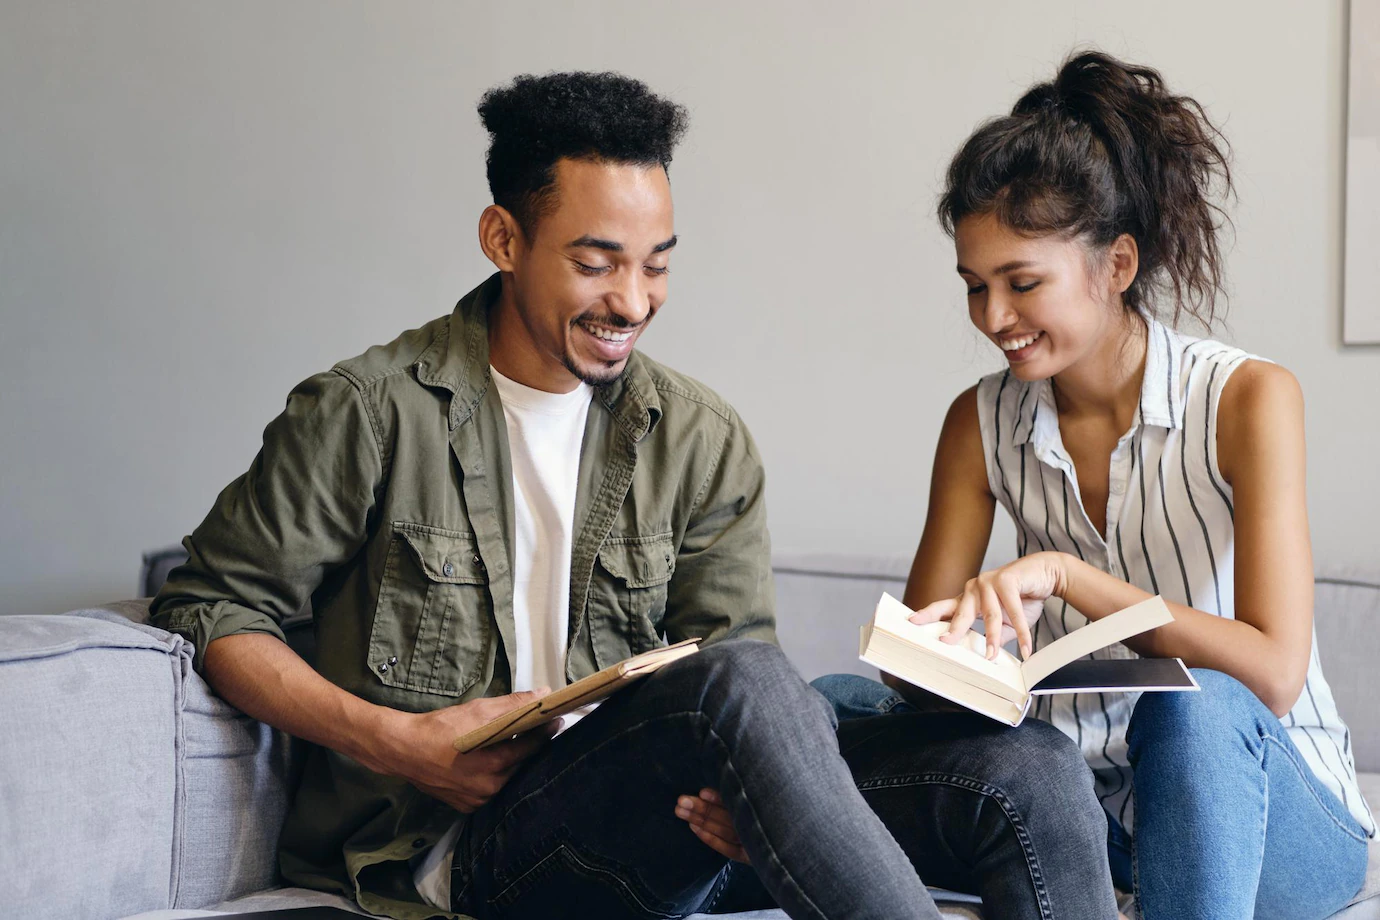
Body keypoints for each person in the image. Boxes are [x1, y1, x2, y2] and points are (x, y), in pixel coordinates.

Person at [153, 71, 1111, 920]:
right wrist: (399, 742)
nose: (634, 300)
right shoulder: (371, 414)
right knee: (739, 680)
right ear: (503, 239)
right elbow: (211, 604)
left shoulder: (697, 438)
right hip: (464, 852)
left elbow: (747, 680)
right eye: (595, 261)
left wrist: (761, 795)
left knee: (1023, 769)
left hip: (675, 832)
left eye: (656, 263)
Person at [819, 51, 1375, 920]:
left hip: (1268, 807)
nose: (993, 318)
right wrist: (978, 652)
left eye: (1022, 283)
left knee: (1197, 711)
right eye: (975, 286)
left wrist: (1070, 578)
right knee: (824, 706)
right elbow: (919, 678)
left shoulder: (1247, 399)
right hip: (1085, 803)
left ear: (1116, 265)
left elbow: (1271, 672)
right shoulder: (979, 422)